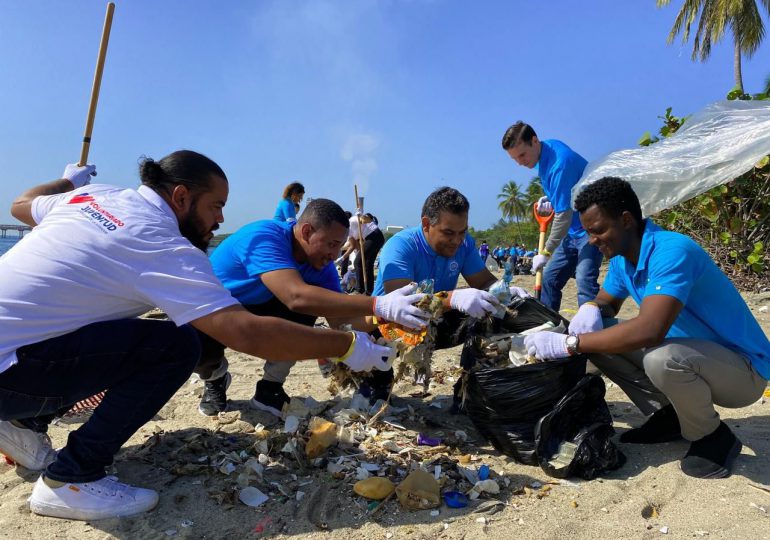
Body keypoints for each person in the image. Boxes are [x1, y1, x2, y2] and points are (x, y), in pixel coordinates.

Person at [0, 152, 393, 521]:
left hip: (13, 353)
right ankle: (72, 477)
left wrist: (68, 180)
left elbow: (21, 204)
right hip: (10, 375)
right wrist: (347, 346)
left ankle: (21, 425)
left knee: (103, 322)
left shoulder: (94, 196)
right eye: (216, 206)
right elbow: (246, 333)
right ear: (181, 196)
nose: (220, 219)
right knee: (174, 345)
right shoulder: (162, 243)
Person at [523, 177, 770, 479]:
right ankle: (669, 414)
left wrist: (572, 344)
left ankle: (711, 436)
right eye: (588, 232)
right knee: (601, 333)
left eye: (598, 230)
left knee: (659, 358)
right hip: (693, 355)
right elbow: (607, 302)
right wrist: (592, 309)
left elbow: (651, 330)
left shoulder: (671, 251)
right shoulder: (622, 259)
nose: (592, 240)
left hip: (744, 371)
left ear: (626, 220)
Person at [195, 199, 429, 416]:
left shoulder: (322, 268)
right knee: (200, 350)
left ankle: (270, 387)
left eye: (340, 246)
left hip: (265, 307)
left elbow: (340, 321)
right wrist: (380, 304)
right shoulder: (264, 237)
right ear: (306, 231)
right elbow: (294, 296)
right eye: (331, 244)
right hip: (217, 307)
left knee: (313, 304)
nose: (335, 254)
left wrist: (384, 321)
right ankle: (216, 378)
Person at [370, 187, 530, 397]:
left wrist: (503, 291)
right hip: (391, 327)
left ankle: (473, 386)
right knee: (376, 392)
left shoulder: (464, 244)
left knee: (492, 311)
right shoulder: (401, 246)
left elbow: (484, 281)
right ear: (427, 224)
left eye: (462, 232)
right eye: (448, 233)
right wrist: (453, 298)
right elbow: (402, 303)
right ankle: (377, 382)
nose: (457, 240)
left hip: (436, 322)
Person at [502, 121, 602, 310]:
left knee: (584, 280)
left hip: (591, 229)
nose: (520, 162)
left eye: (522, 155)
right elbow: (570, 187)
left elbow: (563, 216)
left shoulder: (559, 164)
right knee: (549, 279)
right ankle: (549, 324)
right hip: (571, 232)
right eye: (515, 159)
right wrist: (552, 197)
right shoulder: (548, 148)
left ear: (534, 141)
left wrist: (546, 251)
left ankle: (592, 332)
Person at [348, 212, 385, 296]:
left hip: (374, 236)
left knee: (358, 262)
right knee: (368, 264)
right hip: (377, 237)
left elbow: (367, 219)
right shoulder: (348, 231)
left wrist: (361, 214)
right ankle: (369, 291)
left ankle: (359, 290)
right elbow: (353, 244)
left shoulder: (352, 221)